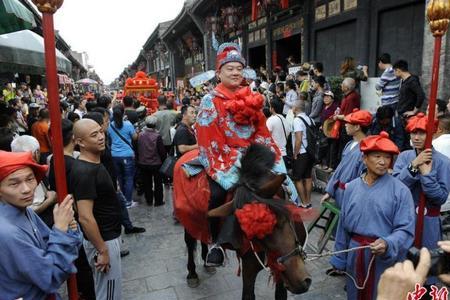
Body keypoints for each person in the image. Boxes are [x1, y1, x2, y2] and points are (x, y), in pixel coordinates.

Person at [191, 43, 297, 266]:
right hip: (223, 155)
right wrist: (236, 159)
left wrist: (269, 159)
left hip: (253, 155)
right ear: (218, 72)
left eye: (239, 68)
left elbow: (262, 133)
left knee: (281, 186)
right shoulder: (210, 100)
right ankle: (216, 243)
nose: (236, 72)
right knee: (219, 193)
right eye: (230, 68)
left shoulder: (253, 97)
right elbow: (209, 137)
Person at [330, 131, 415, 300]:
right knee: (355, 294)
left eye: (387, 157)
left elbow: (406, 230)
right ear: (364, 158)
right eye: (377, 156)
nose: (383, 162)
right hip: (356, 254)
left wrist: (388, 243)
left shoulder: (401, 191)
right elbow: (343, 226)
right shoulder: (352, 188)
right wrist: (340, 257)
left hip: (384, 258)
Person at [0, 150, 82, 299]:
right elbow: (50, 276)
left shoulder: (24, 210)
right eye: (14, 184)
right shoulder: (7, 232)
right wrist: (62, 231)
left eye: (30, 179)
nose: (26, 189)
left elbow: (49, 246)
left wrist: (67, 231)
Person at [393, 113, 450, 289]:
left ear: (432, 133)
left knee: (427, 267)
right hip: (404, 221)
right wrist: (413, 166)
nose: (416, 137)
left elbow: (440, 197)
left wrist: (427, 175)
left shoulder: (443, 162)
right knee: (403, 265)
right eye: (413, 133)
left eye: (422, 133)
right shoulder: (404, 157)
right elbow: (395, 187)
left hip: (429, 223)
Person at [71, 119, 123, 299]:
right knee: (108, 294)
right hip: (103, 240)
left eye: (101, 131)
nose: (101, 137)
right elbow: (84, 217)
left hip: (107, 237)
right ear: (80, 142)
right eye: (94, 135)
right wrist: (102, 250)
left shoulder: (93, 164)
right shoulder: (84, 171)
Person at [321, 109, 372, 208]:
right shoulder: (349, 144)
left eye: (348, 123)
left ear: (357, 127)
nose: (345, 125)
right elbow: (339, 170)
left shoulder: (367, 150)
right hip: (340, 193)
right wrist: (330, 191)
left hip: (353, 196)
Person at [11, 135, 57, 226]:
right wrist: (50, 200)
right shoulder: (27, 174)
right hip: (40, 224)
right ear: (36, 153)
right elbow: (30, 209)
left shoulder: (13, 173)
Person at [109, 105, 138, 208]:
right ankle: (128, 201)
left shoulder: (110, 125)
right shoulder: (128, 124)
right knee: (129, 178)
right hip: (127, 155)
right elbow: (135, 137)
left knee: (119, 178)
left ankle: (121, 200)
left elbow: (109, 138)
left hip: (114, 155)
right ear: (123, 113)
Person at [137, 115, 166, 206]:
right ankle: (158, 201)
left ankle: (149, 200)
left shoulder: (140, 135)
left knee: (147, 182)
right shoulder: (157, 136)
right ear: (155, 125)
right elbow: (161, 151)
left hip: (143, 162)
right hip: (156, 163)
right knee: (158, 183)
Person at [292, 100, 314, 208]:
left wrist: (295, 154)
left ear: (296, 108)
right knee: (308, 177)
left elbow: (298, 139)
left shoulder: (297, 120)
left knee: (297, 178)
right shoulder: (310, 119)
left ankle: (304, 202)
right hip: (310, 152)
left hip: (302, 152)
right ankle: (308, 201)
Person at [334, 77, 361, 161]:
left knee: (344, 146)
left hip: (348, 126)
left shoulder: (351, 97)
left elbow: (348, 115)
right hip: (343, 125)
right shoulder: (347, 96)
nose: (341, 85)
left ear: (347, 88)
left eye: (342, 84)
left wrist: (337, 117)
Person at [266, 99, 291, 167]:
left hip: (274, 155)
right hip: (284, 154)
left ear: (272, 109)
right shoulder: (284, 119)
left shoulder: (271, 120)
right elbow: (288, 134)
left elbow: (267, 137)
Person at [319, 90, 339, 170]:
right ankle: (325, 164)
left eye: (328, 97)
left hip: (332, 132)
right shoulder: (324, 107)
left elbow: (334, 120)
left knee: (332, 149)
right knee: (325, 148)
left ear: (332, 99)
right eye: (324, 97)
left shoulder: (335, 108)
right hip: (324, 131)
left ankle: (331, 166)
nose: (325, 98)